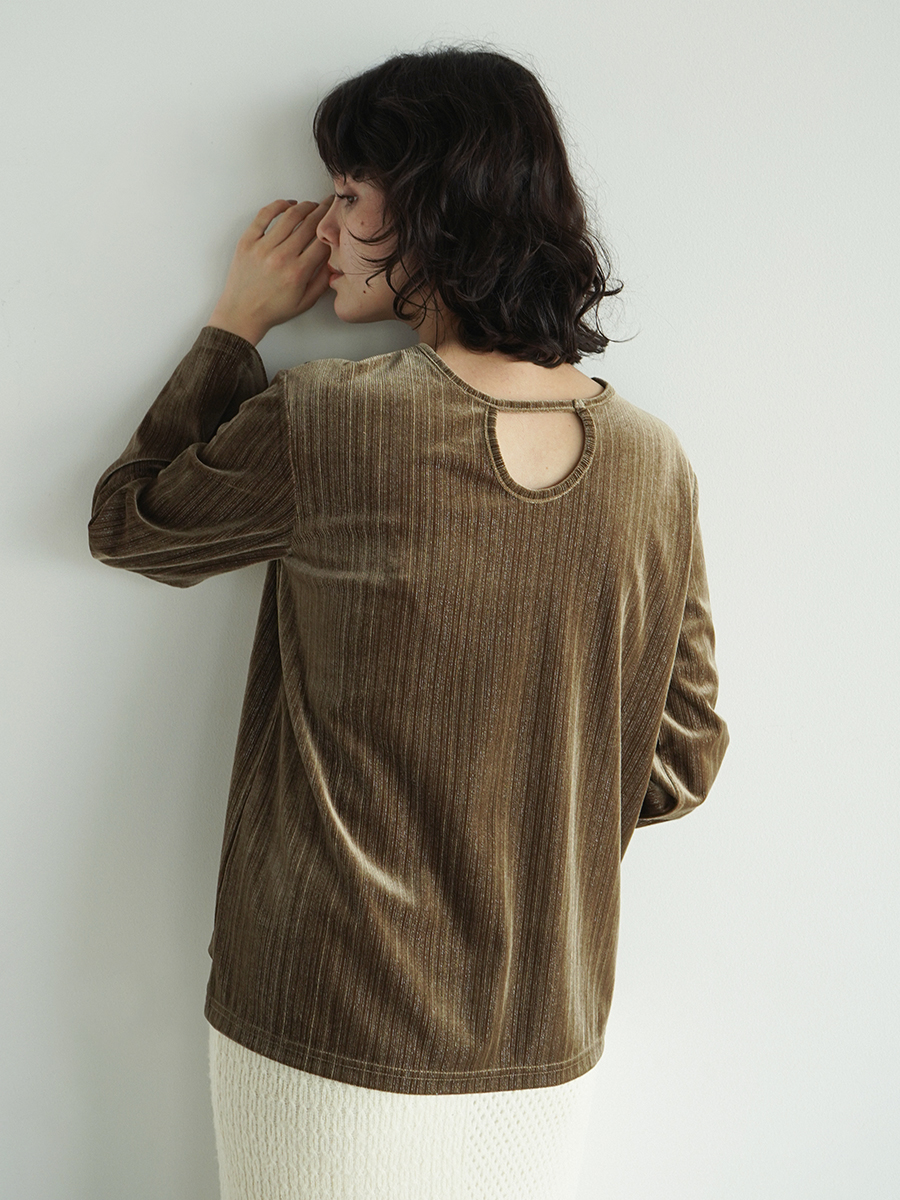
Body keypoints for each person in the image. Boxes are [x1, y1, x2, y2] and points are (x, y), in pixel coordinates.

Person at [88, 45, 729, 1200]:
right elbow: (679, 765)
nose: (322, 228)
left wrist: (236, 325)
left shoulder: (330, 420)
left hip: (325, 1018)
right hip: (541, 1036)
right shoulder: (654, 464)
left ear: (434, 205)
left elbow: (130, 525)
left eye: (347, 194)